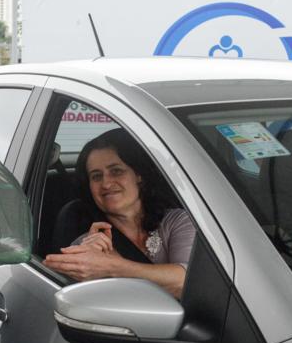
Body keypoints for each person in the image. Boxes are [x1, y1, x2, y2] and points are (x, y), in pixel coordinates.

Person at [44, 128, 195, 298]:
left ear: (139, 174)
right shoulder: (87, 245)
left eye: (116, 171)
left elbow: (189, 283)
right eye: (96, 176)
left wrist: (112, 267)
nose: (106, 183)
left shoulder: (177, 221)